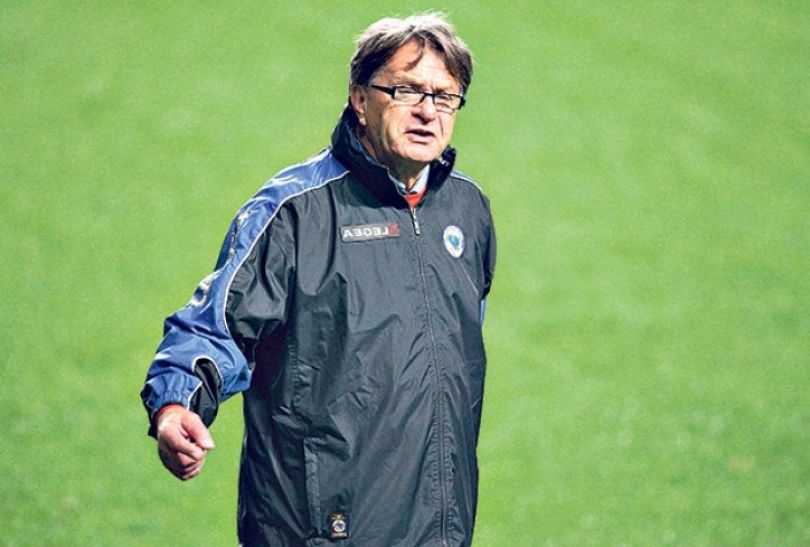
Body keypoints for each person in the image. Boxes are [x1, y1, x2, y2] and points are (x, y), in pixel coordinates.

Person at [140, 12, 496, 546]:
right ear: (360, 99)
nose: (428, 111)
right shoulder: (295, 213)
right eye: (406, 90)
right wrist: (176, 407)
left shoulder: (467, 210)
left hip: (440, 526)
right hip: (321, 528)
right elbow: (213, 329)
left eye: (445, 97)